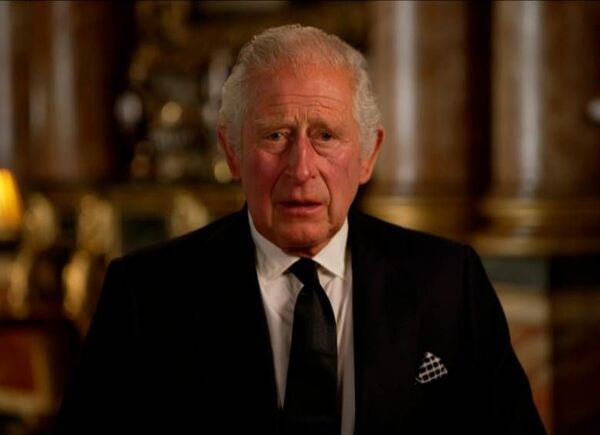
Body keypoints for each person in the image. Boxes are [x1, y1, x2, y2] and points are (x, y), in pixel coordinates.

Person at [52, 24, 546, 435]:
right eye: (275, 136)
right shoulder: (145, 295)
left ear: (368, 155)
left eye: (325, 136)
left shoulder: (449, 282)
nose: (302, 168)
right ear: (232, 153)